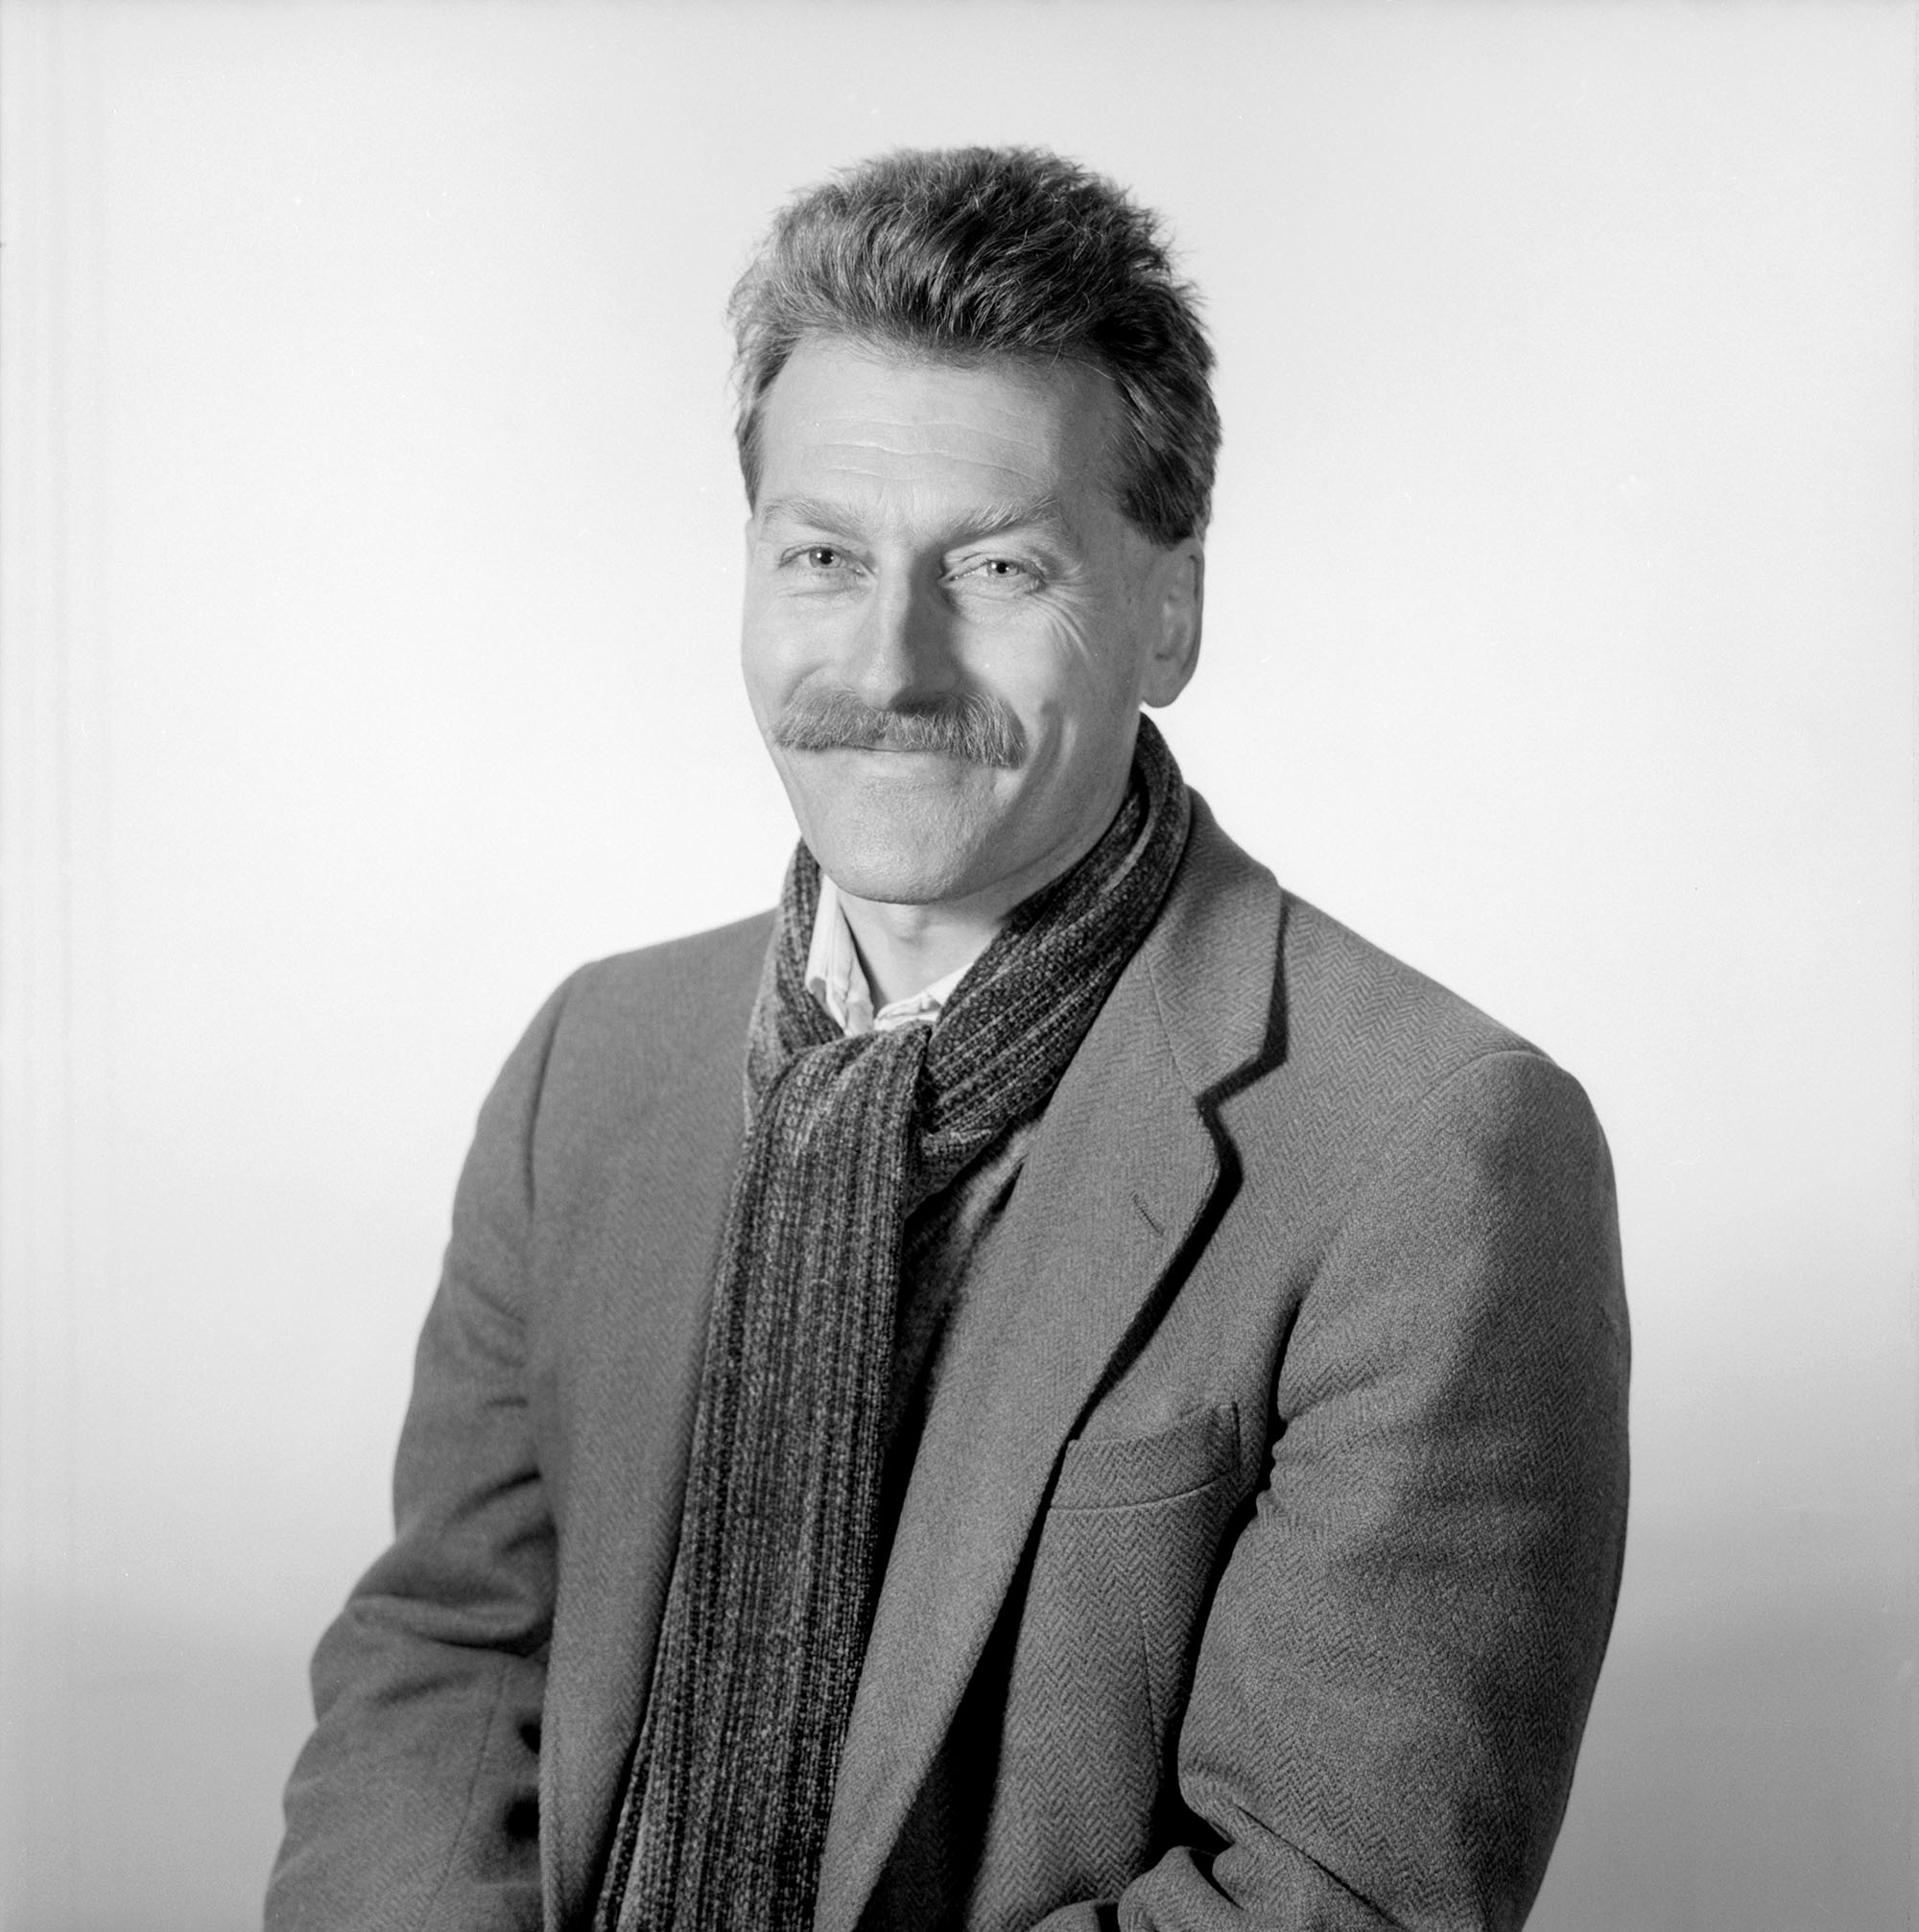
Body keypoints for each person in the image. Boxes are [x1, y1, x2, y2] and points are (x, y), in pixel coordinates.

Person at [266, 146, 1629, 1932]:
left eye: (994, 564)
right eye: (823, 553)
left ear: (1170, 609)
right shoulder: (592, 1065)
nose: (891, 659)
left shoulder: (1437, 1153)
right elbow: (447, 1667)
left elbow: (1328, 1899)